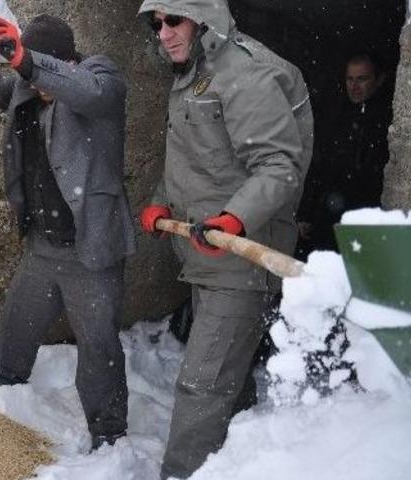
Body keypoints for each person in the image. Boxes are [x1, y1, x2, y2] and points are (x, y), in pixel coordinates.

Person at [135, 0, 313, 477]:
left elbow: (279, 167)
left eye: (174, 20)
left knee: (203, 384)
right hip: (204, 255)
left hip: (239, 260)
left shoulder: (245, 74)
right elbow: (196, 161)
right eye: (157, 24)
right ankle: (237, 463)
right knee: (225, 379)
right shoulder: (194, 73)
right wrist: (161, 199)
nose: (164, 33)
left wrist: (235, 218)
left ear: (203, 18)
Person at [0, 14, 136, 450]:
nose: (38, 85)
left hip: (91, 252)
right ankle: (7, 399)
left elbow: (87, 91)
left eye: (43, 70)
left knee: (98, 349)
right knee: (17, 326)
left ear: (68, 60)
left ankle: (109, 436)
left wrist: (28, 61)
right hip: (42, 248)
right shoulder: (27, 88)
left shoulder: (100, 79)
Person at [296, 53, 391, 255]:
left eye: (362, 79)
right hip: (330, 216)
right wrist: (307, 211)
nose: (354, 86)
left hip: (368, 219)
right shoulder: (336, 117)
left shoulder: (388, 121)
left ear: (379, 80)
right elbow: (319, 165)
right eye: (350, 79)